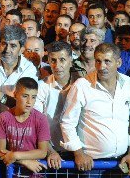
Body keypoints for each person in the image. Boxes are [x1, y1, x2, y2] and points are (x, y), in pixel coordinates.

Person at [60, 43, 130, 174]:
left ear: (118, 62)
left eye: (107, 61)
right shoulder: (82, 86)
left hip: (121, 164)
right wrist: (78, 153)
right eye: (98, 61)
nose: (102, 67)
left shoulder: (129, 85)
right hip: (91, 166)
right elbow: (67, 122)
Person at [0, 25, 38, 117]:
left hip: (14, 122)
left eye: (13, 46)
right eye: (4, 44)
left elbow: (25, 105)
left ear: (21, 50)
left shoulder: (28, 70)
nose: (7, 50)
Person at [0, 77, 50, 173]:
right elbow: (0, 150)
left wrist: (16, 156)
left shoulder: (41, 119)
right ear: (15, 94)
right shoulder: (4, 117)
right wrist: (23, 161)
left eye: (33, 97)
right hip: (11, 170)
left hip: (35, 171)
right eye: (25, 96)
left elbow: (43, 152)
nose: (29, 101)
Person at [34, 41, 74, 169]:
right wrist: (51, 152)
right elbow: (37, 124)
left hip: (78, 152)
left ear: (71, 61)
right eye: (53, 60)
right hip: (50, 153)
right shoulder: (41, 87)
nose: (57, 65)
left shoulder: (82, 85)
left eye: (62, 60)